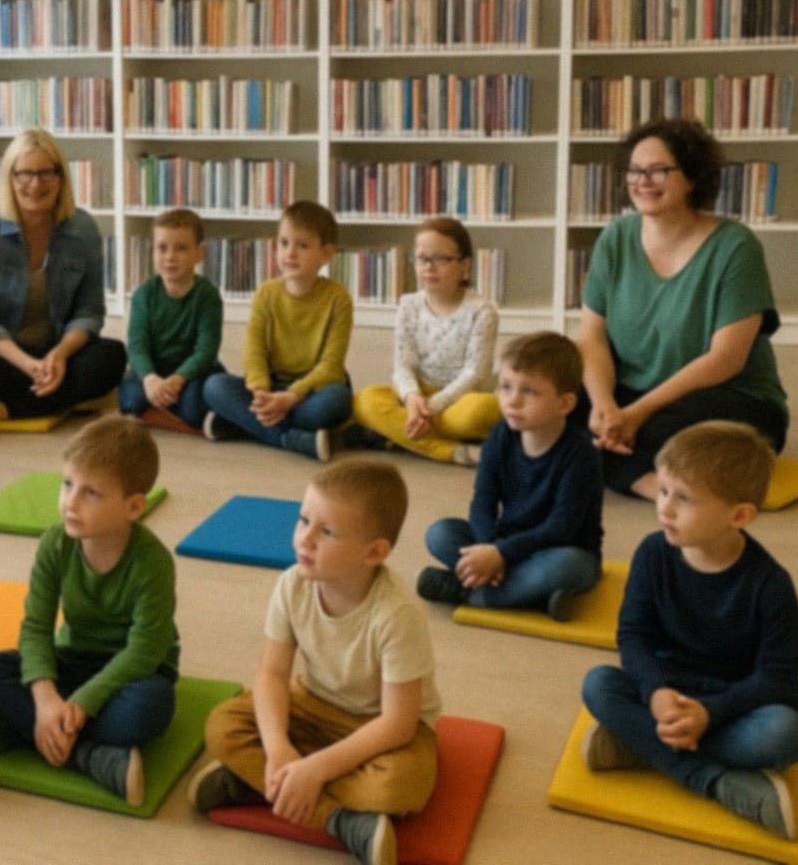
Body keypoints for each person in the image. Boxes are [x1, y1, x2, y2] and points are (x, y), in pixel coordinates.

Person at [190, 460, 440, 865]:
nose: (304, 540)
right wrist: (276, 749)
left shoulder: (397, 615)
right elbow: (271, 675)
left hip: (380, 727)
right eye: (303, 520)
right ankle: (338, 819)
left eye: (326, 532)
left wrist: (316, 769)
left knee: (400, 787)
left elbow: (399, 723)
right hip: (311, 704)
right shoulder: (292, 584)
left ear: (374, 552)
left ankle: (261, 786)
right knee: (222, 725)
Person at [580, 421, 798, 840]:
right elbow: (633, 635)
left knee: (786, 735)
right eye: (663, 491)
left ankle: (639, 745)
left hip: (733, 704)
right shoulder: (653, 554)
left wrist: (710, 713)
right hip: (670, 691)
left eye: (683, 498)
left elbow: (779, 676)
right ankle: (712, 780)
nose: (664, 508)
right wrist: (655, 692)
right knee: (597, 684)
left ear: (739, 515)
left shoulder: (770, 583)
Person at [0, 417, 178, 805]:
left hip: (133, 675)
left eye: (91, 493)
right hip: (73, 661)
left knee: (152, 707)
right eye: (67, 484)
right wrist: (46, 696)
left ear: (133, 506)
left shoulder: (153, 563)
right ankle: (88, 755)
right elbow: (35, 628)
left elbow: (145, 651)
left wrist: (81, 704)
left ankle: (22, 731)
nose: (70, 502)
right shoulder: (55, 543)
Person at [575, 118, 788, 499]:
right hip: (632, 391)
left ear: (693, 178)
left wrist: (636, 414)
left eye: (659, 171)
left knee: (661, 436)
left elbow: (726, 359)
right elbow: (591, 336)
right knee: (546, 405)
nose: (643, 181)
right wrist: (605, 406)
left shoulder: (736, 247)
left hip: (731, 395)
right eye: (635, 170)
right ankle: (651, 482)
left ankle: (619, 469)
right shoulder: (616, 237)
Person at [0, 129, 126, 429]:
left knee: (113, 356)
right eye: (24, 174)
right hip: (8, 355)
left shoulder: (83, 229)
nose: (35, 184)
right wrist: (29, 365)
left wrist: (60, 356)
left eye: (45, 173)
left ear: (61, 177)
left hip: (59, 349)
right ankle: (78, 398)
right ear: (9, 178)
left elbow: (90, 312)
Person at [416, 332, 605, 621]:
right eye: (505, 387)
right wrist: (488, 549)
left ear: (564, 404)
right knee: (440, 534)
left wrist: (500, 554)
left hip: (560, 550)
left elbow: (561, 528)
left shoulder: (581, 455)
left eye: (529, 392)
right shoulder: (500, 435)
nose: (512, 401)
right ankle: (531, 597)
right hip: (504, 542)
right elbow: (483, 501)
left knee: (565, 567)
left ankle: (468, 593)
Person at [202, 200, 353, 461]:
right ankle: (290, 438)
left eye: (302, 245)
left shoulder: (338, 298)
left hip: (314, 388)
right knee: (214, 386)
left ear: (326, 254)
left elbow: (331, 366)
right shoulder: (266, 293)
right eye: (284, 243)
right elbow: (255, 351)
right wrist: (261, 392)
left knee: (337, 401)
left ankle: (243, 425)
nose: (290, 253)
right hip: (271, 384)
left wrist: (292, 397)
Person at [352, 216, 500, 465]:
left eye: (441, 259)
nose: (429, 267)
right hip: (419, 395)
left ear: (465, 266)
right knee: (364, 401)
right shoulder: (408, 306)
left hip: (462, 399)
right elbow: (403, 366)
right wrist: (412, 400)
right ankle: (450, 451)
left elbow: (474, 374)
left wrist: (431, 408)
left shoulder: (483, 312)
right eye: (422, 258)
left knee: (483, 410)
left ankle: (397, 434)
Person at [118, 208, 224, 430]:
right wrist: (149, 379)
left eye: (181, 248)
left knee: (197, 403)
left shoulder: (207, 296)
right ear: (153, 251)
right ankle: (171, 415)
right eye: (162, 248)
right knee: (129, 397)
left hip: (191, 373)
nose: (169, 257)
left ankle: (160, 414)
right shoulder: (144, 294)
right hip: (154, 370)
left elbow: (206, 351)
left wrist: (178, 379)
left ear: (199, 253)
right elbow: (137, 346)